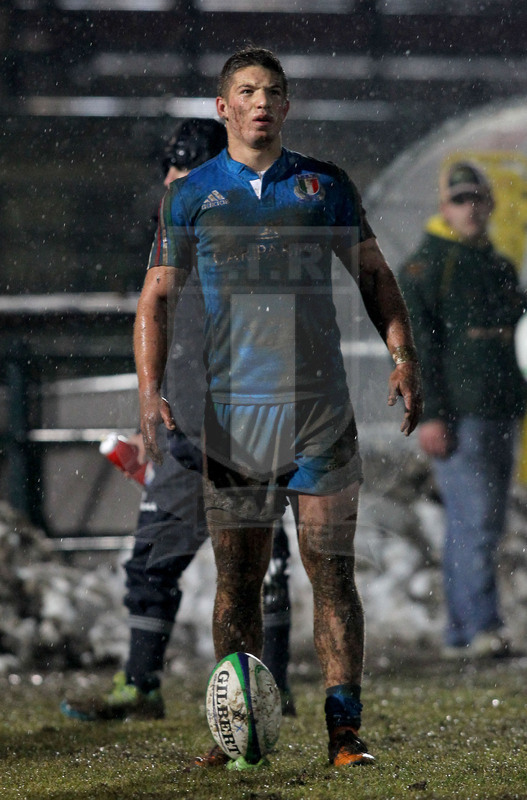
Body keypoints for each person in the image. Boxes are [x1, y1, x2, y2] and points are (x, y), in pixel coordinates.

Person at [134, 47, 422, 769]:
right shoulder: (192, 194)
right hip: (234, 419)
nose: (261, 101)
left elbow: (374, 276)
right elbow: (156, 299)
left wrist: (402, 354)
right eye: (246, 90)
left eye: (273, 91)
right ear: (222, 108)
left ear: (287, 107)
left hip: (317, 413)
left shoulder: (323, 185)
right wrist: (149, 390)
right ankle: (237, 733)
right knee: (236, 581)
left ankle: (343, 733)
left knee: (332, 571)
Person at [60, 118, 296, 723]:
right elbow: (156, 319)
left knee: (259, 563)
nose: (178, 179)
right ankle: (140, 687)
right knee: (151, 561)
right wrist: (151, 400)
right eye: (173, 167)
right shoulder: (167, 232)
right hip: (179, 427)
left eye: (191, 168)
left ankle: (272, 694)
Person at [399, 160, 526, 659]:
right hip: (459, 418)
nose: (469, 208)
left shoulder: (497, 265)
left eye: (476, 197)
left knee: (479, 523)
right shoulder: (427, 265)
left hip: (498, 412)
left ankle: (463, 630)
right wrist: (429, 415)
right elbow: (417, 350)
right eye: (459, 199)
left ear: (489, 203)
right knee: (475, 522)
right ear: (443, 207)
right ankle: (479, 627)